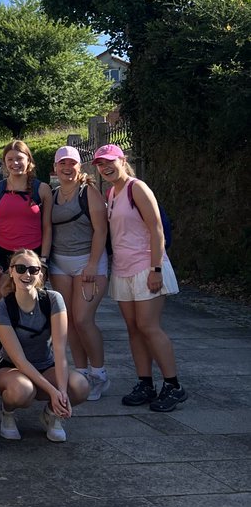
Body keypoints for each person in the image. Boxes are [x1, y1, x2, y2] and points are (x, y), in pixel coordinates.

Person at [93, 144, 184, 411]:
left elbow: (157, 231)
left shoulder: (137, 188)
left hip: (147, 266)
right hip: (123, 269)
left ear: (123, 160)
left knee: (148, 326)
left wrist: (156, 269)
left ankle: (173, 385)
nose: (105, 167)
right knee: (133, 329)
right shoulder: (111, 193)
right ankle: (145, 383)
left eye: (109, 161)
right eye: (100, 164)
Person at [0, 248, 89, 442]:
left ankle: (52, 415)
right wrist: (53, 391)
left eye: (33, 270)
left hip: (46, 365)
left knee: (80, 386)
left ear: (40, 274)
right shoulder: (2, 308)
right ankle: (7, 413)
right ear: (11, 271)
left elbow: (60, 351)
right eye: (20, 268)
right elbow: (19, 360)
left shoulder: (53, 299)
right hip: (12, 368)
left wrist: (61, 393)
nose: (26, 274)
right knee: (23, 391)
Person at [49, 146, 110, 400]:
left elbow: (101, 231)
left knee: (84, 320)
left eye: (72, 163)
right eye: (62, 164)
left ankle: (100, 374)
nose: (67, 168)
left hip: (88, 261)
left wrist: (93, 264)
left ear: (79, 167)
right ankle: (82, 372)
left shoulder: (89, 193)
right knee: (70, 321)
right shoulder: (51, 195)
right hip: (59, 264)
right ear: (55, 168)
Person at [0, 140, 53, 301]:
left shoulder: (42, 189)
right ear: (4, 163)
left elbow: (47, 227)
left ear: (28, 160)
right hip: (2, 254)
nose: (15, 163)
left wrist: (43, 260)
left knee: (31, 303)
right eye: (10, 159)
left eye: (19, 159)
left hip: (33, 253)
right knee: (3, 303)